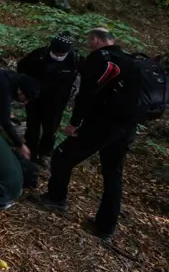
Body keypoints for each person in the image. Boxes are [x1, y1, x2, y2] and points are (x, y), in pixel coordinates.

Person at [32, 28, 141, 240]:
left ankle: (56, 198)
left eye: (90, 41)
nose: (89, 45)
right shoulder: (131, 61)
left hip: (102, 124)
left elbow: (87, 94)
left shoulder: (100, 59)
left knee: (62, 155)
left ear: (96, 40)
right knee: (113, 175)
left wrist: (74, 123)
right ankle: (106, 227)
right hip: (127, 128)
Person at [17, 32, 80, 167]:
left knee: (50, 129)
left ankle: (45, 153)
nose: (57, 56)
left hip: (57, 101)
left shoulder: (75, 59)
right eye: (55, 53)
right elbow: (21, 67)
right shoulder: (39, 55)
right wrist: (26, 87)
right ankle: (30, 152)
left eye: (61, 55)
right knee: (32, 126)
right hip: (35, 97)